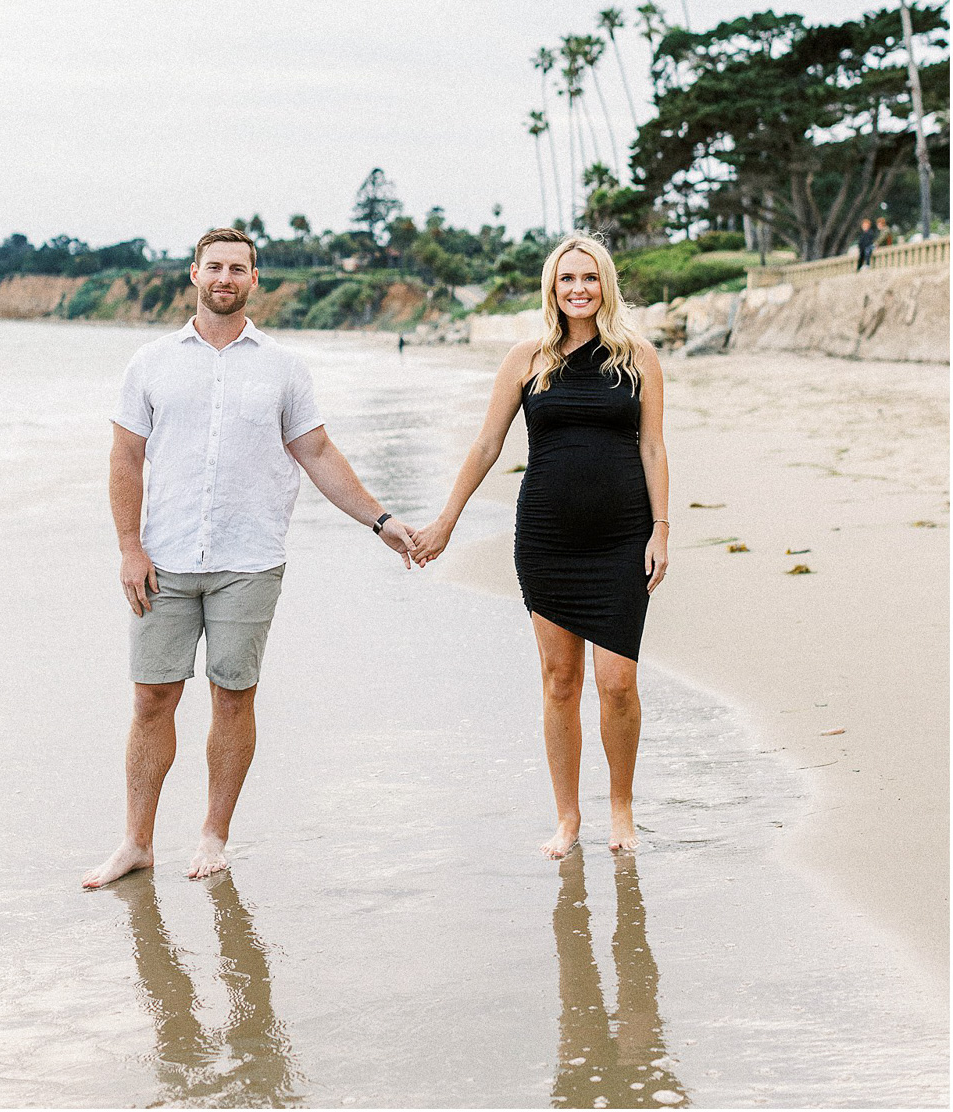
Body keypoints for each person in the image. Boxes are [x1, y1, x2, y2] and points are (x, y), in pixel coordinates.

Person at [83, 227, 419, 889]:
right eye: (215, 267)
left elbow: (318, 453)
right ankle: (136, 843)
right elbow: (125, 459)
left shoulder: (283, 367)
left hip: (250, 559)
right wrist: (128, 547)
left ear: (254, 279)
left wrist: (379, 519)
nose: (225, 278)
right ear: (194, 273)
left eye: (238, 268)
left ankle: (213, 834)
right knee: (152, 699)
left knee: (233, 698)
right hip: (164, 559)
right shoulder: (150, 362)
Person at [413, 236, 669, 858]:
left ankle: (622, 809)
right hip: (549, 538)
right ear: (551, 289)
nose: (578, 289)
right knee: (560, 681)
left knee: (618, 685)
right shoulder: (528, 359)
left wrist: (662, 528)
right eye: (566, 279)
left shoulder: (637, 357)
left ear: (605, 284)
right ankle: (567, 817)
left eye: (589, 278)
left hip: (621, 538)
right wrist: (446, 521)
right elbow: (485, 446)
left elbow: (653, 448)